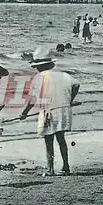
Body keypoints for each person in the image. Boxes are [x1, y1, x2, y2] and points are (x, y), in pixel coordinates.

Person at [20, 47, 80, 176]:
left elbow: (33, 99)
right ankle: (66, 166)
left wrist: (24, 112)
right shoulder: (63, 75)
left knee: (48, 141)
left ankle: (50, 169)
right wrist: (70, 99)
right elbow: (76, 85)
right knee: (61, 139)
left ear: (39, 66)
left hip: (48, 111)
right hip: (63, 109)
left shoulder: (39, 78)